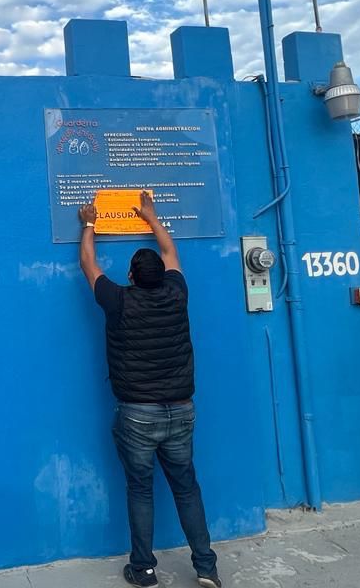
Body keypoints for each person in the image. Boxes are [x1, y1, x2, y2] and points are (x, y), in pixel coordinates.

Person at [78, 191, 220, 588]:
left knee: (140, 490)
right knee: (187, 489)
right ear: (163, 275)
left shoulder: (118, 300)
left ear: (131, 276)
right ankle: (206, 567)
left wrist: (89, 222)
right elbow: (170, 251)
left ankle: (143, 569)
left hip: (138, 414)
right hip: (181, 410)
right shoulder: (178, 293)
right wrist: (152, 216)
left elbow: (88, 263)